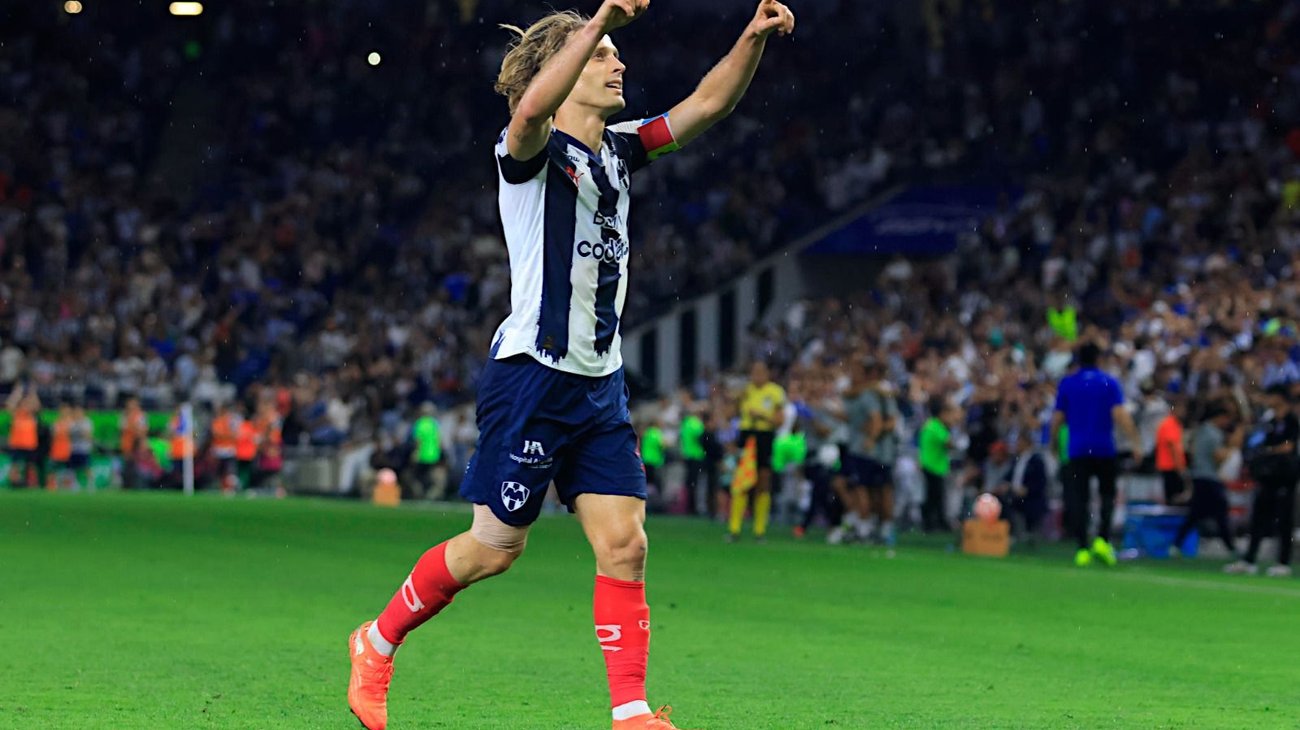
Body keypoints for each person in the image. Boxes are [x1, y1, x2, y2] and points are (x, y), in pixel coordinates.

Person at [346, 2, 796, 729]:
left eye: (615, 51)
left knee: (626, 544)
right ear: (566, 68)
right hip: (531, 376)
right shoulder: (528, 154)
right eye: (602, 55)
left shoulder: (621, 149)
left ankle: (631, 711)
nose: (618, 63)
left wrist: (751, 38)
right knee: (493, 549)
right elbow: (527, 112)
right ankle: (375, 640)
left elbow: (708, 104)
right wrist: (595, 21)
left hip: (600, 383)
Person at [1051, 342, 1142, 567]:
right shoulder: (1108, 382)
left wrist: (1053, 444)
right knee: (1107, 495)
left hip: (1077, 449)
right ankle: (1102, 539)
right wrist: (1135, 442)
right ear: (1099, 359)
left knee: (1078, 498)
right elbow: (1120, 414)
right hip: (1103, 448)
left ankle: (1082, 547)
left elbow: (1057, 418)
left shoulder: (1068, 383)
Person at [1225, 386, 1297, 577]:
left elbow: (1290, 448)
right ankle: (1249, 560)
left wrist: (1270, 451)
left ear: (1280, 398)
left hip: (1286, 478)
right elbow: (1264, 445)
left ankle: (1283, 562)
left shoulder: (1293, 422)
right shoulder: (1269, 421)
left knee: (1284, 522)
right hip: (1267, 477)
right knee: (1258, 520)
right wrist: (1273, 450)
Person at [1172, 403, 1242, 559]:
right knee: (1220, 513)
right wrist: (1231, 449)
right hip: (1210, 478)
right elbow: (1217, 456)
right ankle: (1230, 547)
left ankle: (1176, 544)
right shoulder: (1213, 434)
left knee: (1195, 514)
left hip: (1199, 476)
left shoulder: (1201, 430)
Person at [730, 360, 786, 541]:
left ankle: (759, 530)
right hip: (747, 437)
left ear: (768, 373)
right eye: (754, 372)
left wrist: (761, 415)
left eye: (761, 371)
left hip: (764, 436)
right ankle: (734, 528)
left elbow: (780, 421)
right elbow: (731, 412)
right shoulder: (746, 391)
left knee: (763, 482)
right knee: (741, 482)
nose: (757, 375)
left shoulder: (775, 392)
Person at [918, 397, 957, 533]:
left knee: (933, 496)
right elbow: (950, 443)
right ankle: (934, 524)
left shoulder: (930, 424)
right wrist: (952, 427)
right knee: (935, 497)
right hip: (933, 466)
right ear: (942, 413)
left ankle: (933, 523)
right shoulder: (936, 426)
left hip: (929, 464)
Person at [1154, 398, 1189, 505]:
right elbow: (1173, 447)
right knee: (1175, 500)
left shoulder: (1173, 424)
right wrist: (1181, 468)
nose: (1183, 411)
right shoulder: (1170, 424)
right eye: (1181, 408)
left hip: (1171, 467)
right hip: (1171, 467)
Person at [119, 397, 149, 489]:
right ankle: (126, 485)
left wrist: (142, 443)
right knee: (127, 465)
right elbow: (122, 429)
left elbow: (143, 431)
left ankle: (136, 486)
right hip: (127, 445)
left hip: (136, 444)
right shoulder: (124, 415)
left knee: (137, 466)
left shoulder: (141, 415)